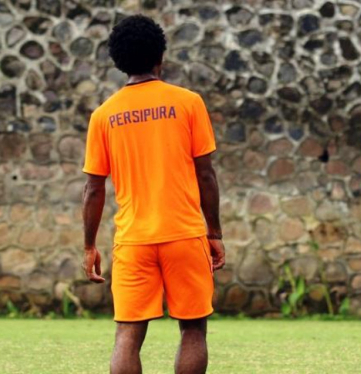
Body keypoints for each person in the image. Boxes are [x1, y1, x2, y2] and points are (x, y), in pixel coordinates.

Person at [81, 15, 225, 374]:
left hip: (133, 240)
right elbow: (205, 174)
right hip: (184, 234)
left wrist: (89, 245)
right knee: (192, 328)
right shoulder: (188, 102)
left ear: (118, 61)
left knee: (127, 334)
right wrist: (215, 232)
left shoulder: (103, 115)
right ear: (161, 55)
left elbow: (93, 188)